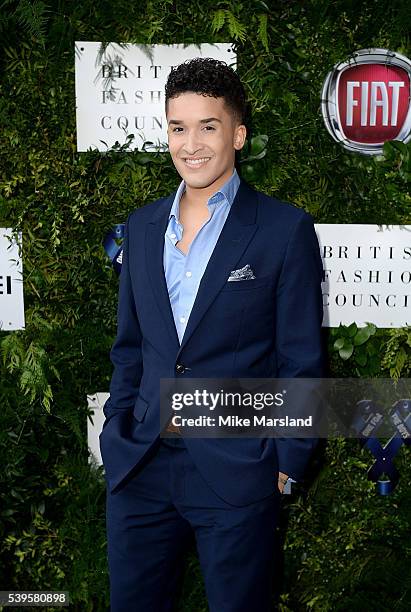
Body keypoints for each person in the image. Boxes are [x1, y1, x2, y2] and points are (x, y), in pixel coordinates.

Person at [100, 57, 324, 612]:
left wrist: (285, 464)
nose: (191, 144)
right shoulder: (143, 225)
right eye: (178, 127)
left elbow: (300, 359)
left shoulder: (283, 229)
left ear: (238, 134)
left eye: (208, 126)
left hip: (237, 472)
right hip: (142, 467)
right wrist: (116, 431)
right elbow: (131, 349)